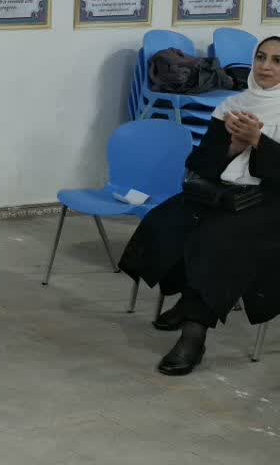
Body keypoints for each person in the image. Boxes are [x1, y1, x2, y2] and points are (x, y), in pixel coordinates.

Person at [120, 35, 280, 376]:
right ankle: (186, 297)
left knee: (217, 239)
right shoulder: (234, 104)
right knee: (168, 221)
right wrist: (233, 146)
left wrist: (259, 142)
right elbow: (201, 162)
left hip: (270, 202)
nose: (266, 66)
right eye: (261, 57)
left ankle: (194, 334)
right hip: (224, 193)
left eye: (277, 61)